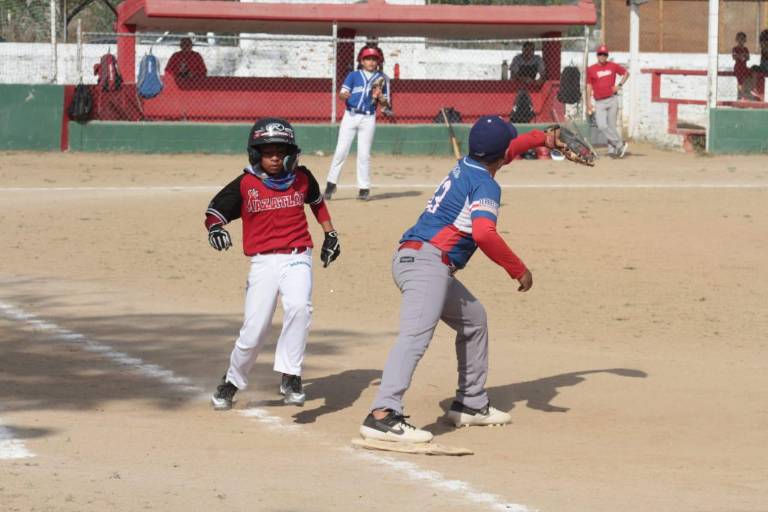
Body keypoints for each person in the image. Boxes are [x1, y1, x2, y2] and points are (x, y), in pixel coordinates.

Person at [359, 116, 563, 443]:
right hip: (427, 263)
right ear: (500, 154)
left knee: (474, 320)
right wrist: (518, 268)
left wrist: (543, 139)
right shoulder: (487, 185)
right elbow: (484, 232)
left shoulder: (467, 164)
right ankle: (382, 414)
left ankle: (470, 402)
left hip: (416, 257)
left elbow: (508, 151)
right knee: (415, 336)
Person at [206, 118, 341, 411]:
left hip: (297, 256)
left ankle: (290, 375)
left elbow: (317, 202)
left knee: (299, 308)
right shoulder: (245, 183)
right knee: (254, 330)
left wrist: (330, 234)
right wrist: (215, 228)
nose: (275, 157)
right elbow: (214, 211)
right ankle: (232, 380)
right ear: (256, 154)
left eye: (281, 151)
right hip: (263, 262)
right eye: (268, 152)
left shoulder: (302, 178)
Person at [324, 45, 391, 202]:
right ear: (361, 61)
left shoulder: (382, 78)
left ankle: (364, 188)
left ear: (378, 62)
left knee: (364, 155)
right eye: (367, 58)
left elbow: (386, 106)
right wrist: (344, 95)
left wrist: (380, 96)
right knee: (341, 151)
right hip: (351, 116)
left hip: (368, 118)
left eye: (374, 59)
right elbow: (342, 94)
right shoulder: (353, 76)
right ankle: (331, 185)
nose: (371, 62)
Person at [586, 44, 629, 159]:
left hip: (612, 99)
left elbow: (626, 73)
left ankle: (613, 151)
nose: (602, 56)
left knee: (612, 126)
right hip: (599, 102)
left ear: (607, 56)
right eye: (600, 54)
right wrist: (588, 103)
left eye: (604, 54)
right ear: (597, 55)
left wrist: (619, 85)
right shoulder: (591, 69)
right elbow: (589, 86)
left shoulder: (613, 66)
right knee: (602, 126)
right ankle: (620, 144)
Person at [732, 32, 750, 99]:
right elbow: (734, 57)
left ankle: (749, 92)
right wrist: (741, 56)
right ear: (736, 40)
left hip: (744, 67)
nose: (741, 41)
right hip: (738, 67)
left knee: (752, 73)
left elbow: (748, 58)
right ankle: (740, 96)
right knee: (740, 82)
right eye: (739, 39)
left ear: (745, 40)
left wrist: (743, 56)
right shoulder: (735, 48)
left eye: (742, 39)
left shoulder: (746, 49)